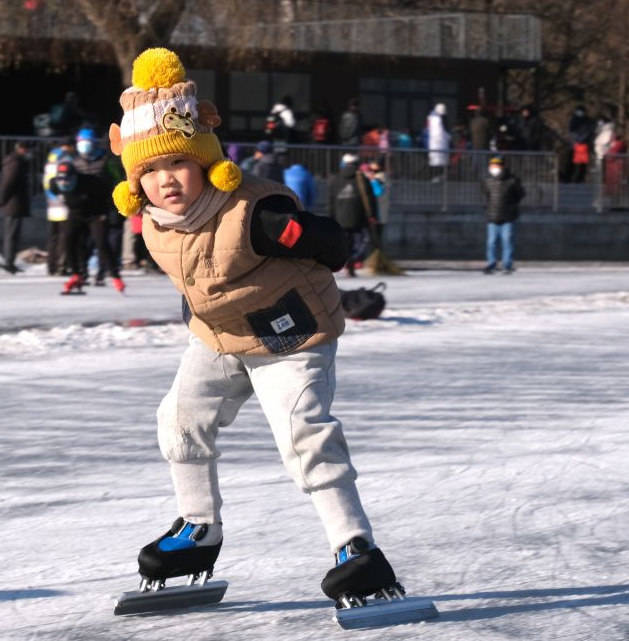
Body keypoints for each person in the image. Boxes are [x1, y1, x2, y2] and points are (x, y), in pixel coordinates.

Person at [108, 48, 409, 608]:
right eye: (148, 170)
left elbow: (334, 246)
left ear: (205, 162)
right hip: (220, 334)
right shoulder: (153, 224)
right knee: (178, 417)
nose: (164, 180)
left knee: (303, 434)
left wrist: (311, 238)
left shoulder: (256, 215)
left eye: (176, 163)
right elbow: (195, 282)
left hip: (289, 334)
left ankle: (356, 549)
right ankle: (198, 531)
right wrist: (200, 323)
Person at [51, 161, 123, 293]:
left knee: (101, 242)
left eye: (68, 179)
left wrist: (105, 213)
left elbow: (107, 196)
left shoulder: (90, 182)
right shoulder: (54, 184)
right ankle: (76, 274)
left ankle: (115, 276)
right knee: (67, 239)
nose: (64, 182)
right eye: (61, 179)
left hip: (96, 214)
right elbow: (55, 193)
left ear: (75, 176)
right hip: (75, 214)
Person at [72, 128, 126, 284]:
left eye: (87, 143)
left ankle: (103, 271)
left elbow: (116, 180)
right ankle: (83, 271)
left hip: (104, 206)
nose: (84, 146)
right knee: (83, 242)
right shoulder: (76, 162)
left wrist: (115, 203)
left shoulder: (105, 160)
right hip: (84, 208)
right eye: (81, 143)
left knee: (104, 241)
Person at [330, 153, 376, 277]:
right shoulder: (362, 179)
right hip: (358, 219)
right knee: (359, 243)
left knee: (344, 244)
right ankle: (352, 265)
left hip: (340, 219)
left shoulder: (335, 179)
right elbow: (370, 199)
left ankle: (346, 266)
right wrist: (372, 215)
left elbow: (331, 201)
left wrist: (332, 218)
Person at [481, 156, 524, 275]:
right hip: (492, 216)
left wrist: (511, 206)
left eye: (497, 166)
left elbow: (520, 194)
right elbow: (486, 195)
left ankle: (507, 265)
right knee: (491, 242)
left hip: (508, 217)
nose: (494, 168)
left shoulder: (512, 180)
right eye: (492, 166)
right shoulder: (487, 180)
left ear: (502, 167)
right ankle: (491, 264)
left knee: (507, 241)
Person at [0, 140, 32, 274]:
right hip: (14, 203)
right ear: (21, 149)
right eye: (27, 149)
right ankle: (9, 262)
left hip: (14, 203)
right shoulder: (15, 163)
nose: (29, 153)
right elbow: (8, 183)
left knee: (13, 234)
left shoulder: (17, 162)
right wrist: (2, 199)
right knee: (11, 234)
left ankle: (10, 261)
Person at [43, 143, 74, 275]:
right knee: (64, 237)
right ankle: (61, 266)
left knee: (53, 238)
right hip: (63, 205)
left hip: (51, 205)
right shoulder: (65, 163)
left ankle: (51, 266)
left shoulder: (49, 164)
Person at [568, 106, 595, 183]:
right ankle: (571, 178)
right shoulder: (574, 120)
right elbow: (571, 132)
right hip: (574, 145)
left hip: (583, 145)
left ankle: (580, 178)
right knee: (572, 163)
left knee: (582, 164)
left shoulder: (588, 121)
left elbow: (589, 132)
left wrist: (581, 140)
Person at [426, 103, 451, 180]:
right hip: (440, 144)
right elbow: (441, 133)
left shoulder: (431, 118)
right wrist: (449, 137)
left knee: (435, 160)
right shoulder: (438, 119)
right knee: (440, 161)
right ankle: (438, 176)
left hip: (434, 145)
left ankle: (434, 176)